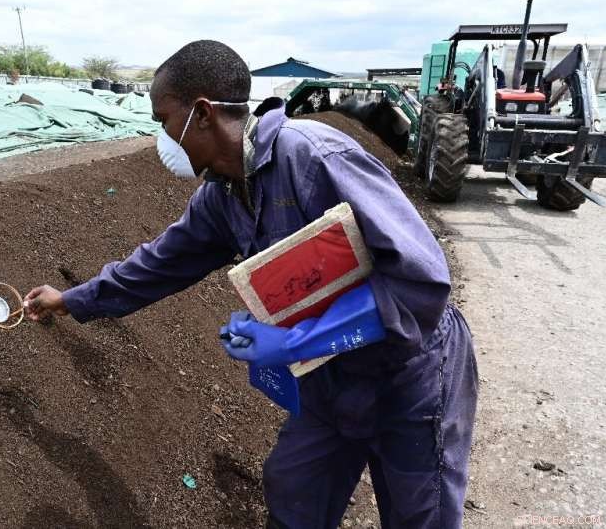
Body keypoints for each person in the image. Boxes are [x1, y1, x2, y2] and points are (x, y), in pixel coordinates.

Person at [24, 40, 478, 529]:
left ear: (201, 114)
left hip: (410, 376)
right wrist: (70, 300)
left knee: (419, 516)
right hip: (331, 381)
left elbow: (421, 285)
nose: (160, 137)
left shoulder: (315, 158)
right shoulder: (221, 193)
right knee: (293, 493)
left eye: (163, 120)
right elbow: (158, 264)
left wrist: (292, 341)